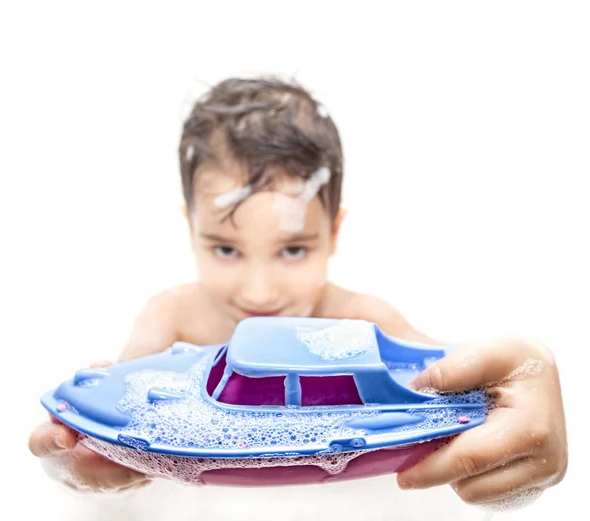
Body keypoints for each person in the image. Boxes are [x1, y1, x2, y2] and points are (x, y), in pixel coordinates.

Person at [28, 77, 567, 507]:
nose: (259, 291)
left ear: (333, 233)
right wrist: (77, 468)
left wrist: (521, 430)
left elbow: (462, 397)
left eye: (292, 251)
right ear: (189, 227)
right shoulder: (172, 316)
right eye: (225, 249)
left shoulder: (363, 320)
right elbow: (123, 424)